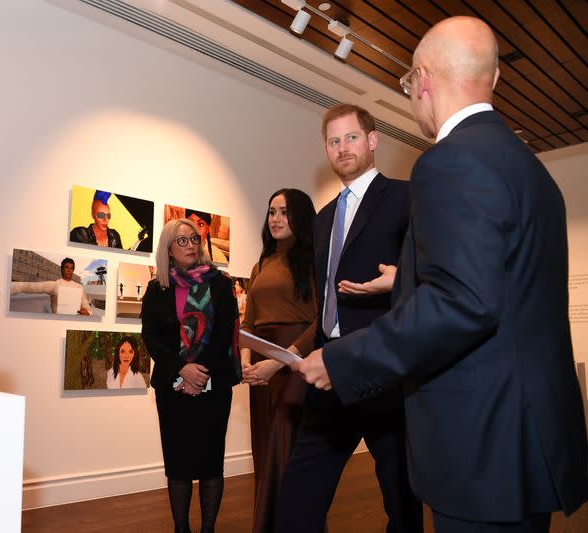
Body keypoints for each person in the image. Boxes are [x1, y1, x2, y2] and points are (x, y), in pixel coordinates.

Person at [293, 16, 588, 532]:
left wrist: (341, 359)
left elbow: (462, 303)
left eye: (409, 84)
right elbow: (500, 289)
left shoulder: (450, 163)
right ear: (491, 80)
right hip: (525, 440)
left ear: (422, 81)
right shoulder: (532, 170)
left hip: (479, 444)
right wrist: (403, 284)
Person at [276, 104, 422, 533]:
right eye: (334, 141)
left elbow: (438, 278)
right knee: (298, 498)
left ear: (372, 141)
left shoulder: (406, 197)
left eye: (352, 137)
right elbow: (323, 303)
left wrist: (400, 281)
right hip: (331, 370)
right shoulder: (323, 220)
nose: (343, 148)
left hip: (384, 371)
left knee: (402, 502)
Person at [141, 218, 241, 533]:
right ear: (168, 248)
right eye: (182, 240)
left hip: (215, 384)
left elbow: (224, 333)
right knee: (179, 463)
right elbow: (151, 337)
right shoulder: (157, 288)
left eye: (194, 238)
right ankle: (181, 528)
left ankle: (208, 528)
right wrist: (182, 369)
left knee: (211, 461)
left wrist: (199, 373)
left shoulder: (221, 284)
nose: (191, 245)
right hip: (172, 387)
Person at [239, 188, 317, 533]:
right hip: (258, 364)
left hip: (295, 361)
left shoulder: (315, 261)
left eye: (284, 212)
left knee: (284, 446)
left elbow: (321, 323)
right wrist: (245, 360)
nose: (276, 218)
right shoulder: (260, 264)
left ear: (299, 217)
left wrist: (279, 362)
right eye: (272, 211)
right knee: (264, 444)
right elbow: (248, 323)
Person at [10, 257, 91, 315]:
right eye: (66, 267)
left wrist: (86, 311)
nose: (69, 270)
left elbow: (86, 306)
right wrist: (10, 288)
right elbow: (32, 287)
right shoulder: (55, 285)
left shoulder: (79, 287)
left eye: (72, 268)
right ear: (62, 269)